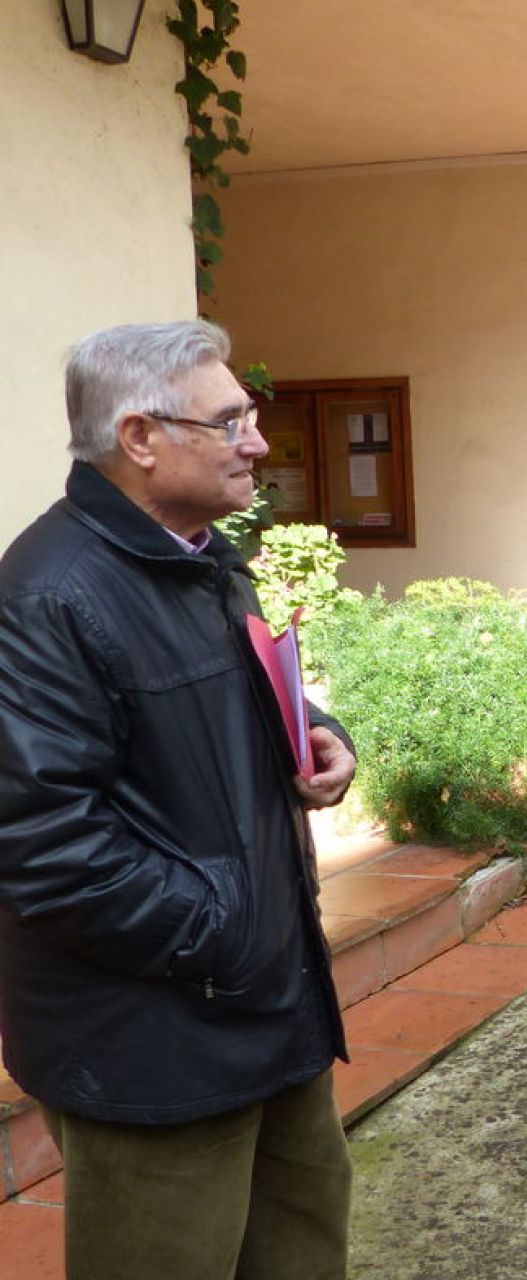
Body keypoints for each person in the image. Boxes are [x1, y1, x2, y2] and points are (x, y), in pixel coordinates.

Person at [0, 320, 359, 1279]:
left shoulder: (198, 556)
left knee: (301, 1252)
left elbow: (232, 693)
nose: (256, 442)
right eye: (230, 420)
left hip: (270, 1009)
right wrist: (228, 932)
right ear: (140, 438)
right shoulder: (49, 597)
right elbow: (40, 843)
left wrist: (320, 734)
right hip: (156, 1043)